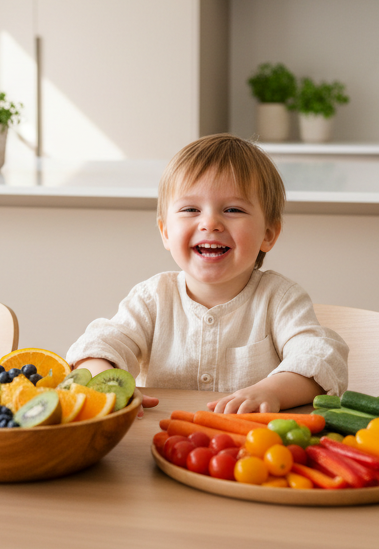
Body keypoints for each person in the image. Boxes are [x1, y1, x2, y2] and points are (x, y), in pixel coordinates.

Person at [66, 133, 348, 414]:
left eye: (233, 209)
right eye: (191, 209)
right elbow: (98, 346)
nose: (210, 223)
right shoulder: (152, 298)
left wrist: (271, 391)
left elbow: (320, 359)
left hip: (247, 446)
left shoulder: (280, 298)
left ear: (268, 234)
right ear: (165, 232)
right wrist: (107, 386)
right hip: (158, 440)